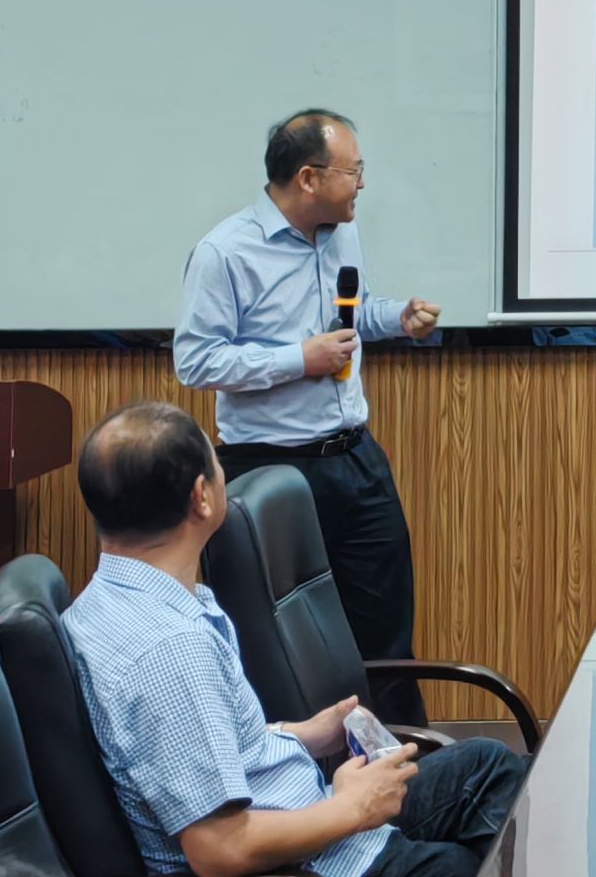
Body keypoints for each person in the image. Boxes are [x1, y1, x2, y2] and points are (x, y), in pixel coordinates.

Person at [63, 402, 522, 877]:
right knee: (471, 862)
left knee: (485, 767)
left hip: (303, 813)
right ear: (202, 497)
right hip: (309, 859)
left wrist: (303, 733)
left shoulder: (105, 605)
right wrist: (353, 807)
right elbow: (220, 848)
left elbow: (188, 746)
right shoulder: (172, 649)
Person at [174, 110, 440, 725]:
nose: (362, 184)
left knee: (386, 637)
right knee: (275, 649)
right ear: (309, 178)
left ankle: (404, 760)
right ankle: (293, 769)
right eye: (354, 171)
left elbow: (351, 315)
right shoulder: (224, 252)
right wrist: (300, 359)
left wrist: (397, 318)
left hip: (356, 462)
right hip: (269, 471)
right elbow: (196, 360)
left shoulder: (341, 233)